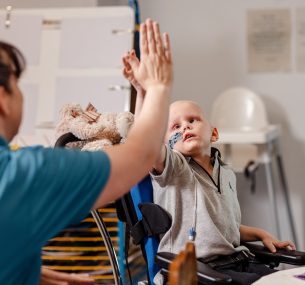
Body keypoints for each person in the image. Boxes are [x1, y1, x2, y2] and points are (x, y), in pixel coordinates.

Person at [0, 18, 173, 285]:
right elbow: (141, 154)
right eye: (18, 83)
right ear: (3, 99)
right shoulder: (20, 175)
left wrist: (27, 271)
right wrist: (158, 86)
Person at [122, 58, 295, 285]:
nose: (185, 127)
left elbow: (223, 227)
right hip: (197, 271)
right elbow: (144, 143)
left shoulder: (226, 173)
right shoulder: (175, 167)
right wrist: (142, 91)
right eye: (175, 126)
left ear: (213, 134)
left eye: (192, 120)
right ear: (166, 144)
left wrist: (261, 234)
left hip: (236, 261)